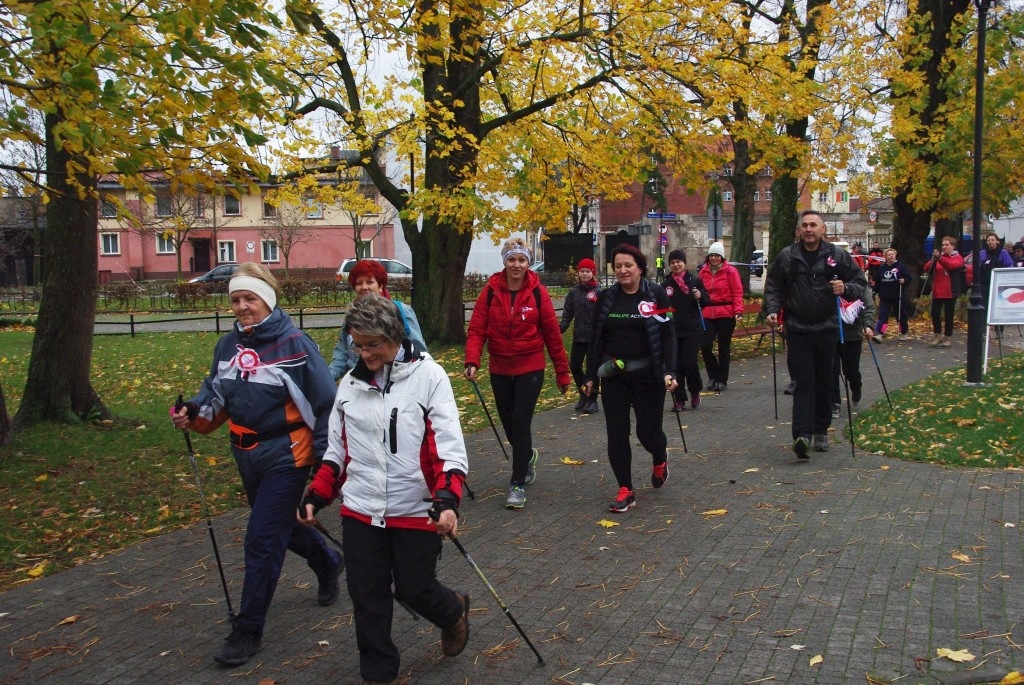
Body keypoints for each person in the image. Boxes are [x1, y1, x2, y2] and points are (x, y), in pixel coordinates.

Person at [169, 262, 340, 667]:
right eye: (236, 299)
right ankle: (329, 560)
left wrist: (324, 462)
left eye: (250, 298)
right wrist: (191, 411)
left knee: (262, 539)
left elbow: (326, 403)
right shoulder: (228, 345)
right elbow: (215, 391)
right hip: (245, 454)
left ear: (269, 299)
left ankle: (247, 629)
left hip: (287, 453)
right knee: (282, 527)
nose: (243, 307)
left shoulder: (295, 344)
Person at [299, 294, 470, 685]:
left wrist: (446, 500)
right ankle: (378, 673)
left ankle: (454, 611)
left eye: (373, 344)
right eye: (357, 344)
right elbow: (336, 453)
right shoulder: (349, 385)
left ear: (394, 336)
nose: (365, 353)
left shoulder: (429, 377)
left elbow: (448, 448)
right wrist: (316, 495)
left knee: (414, 588)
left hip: (415, 508)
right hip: (361, 509)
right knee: (367, 595)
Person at [464, 237, 571, 510]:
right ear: (504, 261)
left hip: (530, 366)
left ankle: (517, 484)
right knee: (510, 426)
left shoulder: (538, 293)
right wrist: (472, 360)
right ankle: (527, 456)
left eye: (522, 259)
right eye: (512, 259)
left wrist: (562, 373)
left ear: (528, 262)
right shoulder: (489, 292)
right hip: (499, 367)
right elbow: (477, 329)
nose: (517, 264)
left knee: (521, 424)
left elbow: (552, 335)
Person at [764, 211, 867, 458]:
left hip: (827, 328)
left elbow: (860, 285)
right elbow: (774, 286)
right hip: (797, 329)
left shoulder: (837, 255)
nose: (808, 229)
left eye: (813, 225)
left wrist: (846, 288)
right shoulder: (788, 256)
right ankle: (801, 435)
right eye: (805, 225)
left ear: (823, 230)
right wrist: (771, 310)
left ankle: (821, 430)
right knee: (803, 382)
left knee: (824, 382)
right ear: (799, 230)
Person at [584, 243, 678, 513]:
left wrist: (670, 371)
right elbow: (595, 338)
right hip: (614, 376)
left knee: (648, 433)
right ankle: (626, 489)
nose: (622, 270)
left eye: (628, 265)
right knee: (616, 433)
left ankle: (660, 457)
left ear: (640, 267)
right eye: (618, 266)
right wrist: (591, 374)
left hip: (648, 376)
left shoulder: (656, 294)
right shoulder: (607, 298)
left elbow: (669, 333)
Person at [329, 259, 425, 381]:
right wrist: (327, 378)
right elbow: (342, 354)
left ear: (381, 286)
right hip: (359, 383)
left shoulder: (401, 311)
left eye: (370, 282)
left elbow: (419, 351)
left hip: (395, 381)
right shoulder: (353, 317)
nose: (364, 287)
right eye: (359, 283)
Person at [661, 249, 708, 411]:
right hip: (673, 330)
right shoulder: (666, 284)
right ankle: (679, 398)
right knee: (675, 365)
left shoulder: (694, 281)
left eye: (678, 262)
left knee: (689, 362)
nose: (675, 265)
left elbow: (707, 301)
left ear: (684, 263)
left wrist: (700, 296)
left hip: (692, 330)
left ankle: (695, 391)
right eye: (672, 262)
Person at [698, 241, 743, 391]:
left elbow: (737, 292)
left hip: (726, 313)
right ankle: (713, 375)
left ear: (722, 257)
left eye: (717, 255)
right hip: (708, 312)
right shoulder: (703, 271)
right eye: (711, 255)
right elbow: (700, 291)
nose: (714, 258)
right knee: (705, 345)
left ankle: (722, 379)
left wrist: (738, 311)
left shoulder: (730, 271)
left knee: (724, 347)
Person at [560, 258, 602, 414]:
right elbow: (567, 313)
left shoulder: (598, 292)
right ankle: (584, 393)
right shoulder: (574, 292)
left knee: (592, 369)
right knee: (575, 367)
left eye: (588, 271)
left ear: (593, 273)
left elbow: (602, 314)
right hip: (579, 336)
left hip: (593, 337)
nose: (585, 274)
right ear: (578, 273)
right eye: (582, 271)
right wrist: (561, 328)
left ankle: (592, 400)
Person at [832, 295, 877, 417]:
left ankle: (856, 387)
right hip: (831, 334)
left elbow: (868, 307)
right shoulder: (829, 282)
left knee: (850, 370)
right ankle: (834, 402)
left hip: (852, 336)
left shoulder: (857, 283)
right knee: (831, 369)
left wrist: (868, 326)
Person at [923, 236, 965, 347]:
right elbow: (927, 268)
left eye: (947, 245)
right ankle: (937, 335)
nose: (944, 247)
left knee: (948, 315)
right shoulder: (939, 258)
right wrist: (933, 259)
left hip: (950, 290)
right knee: (935, 314)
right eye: (943, 245)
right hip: (938, 290)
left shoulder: (957, 257)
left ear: (953, 246)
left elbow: (951, 266)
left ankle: (947, 337)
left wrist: (940, 259)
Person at [873, 248, 913, 342]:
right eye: (889, 254)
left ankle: (903, 332)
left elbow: (908, 278)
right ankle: (880, 333)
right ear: (885, 257)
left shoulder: (900, 266)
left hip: (897, 295)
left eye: (893, 254)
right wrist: (875, 291)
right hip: (885, 295)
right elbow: (878, 281)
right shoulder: (882, 268)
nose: (891, 256)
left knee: (901, 315)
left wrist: (904, 280)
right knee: (882, 315)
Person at [978, 232, 1013, 306]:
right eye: (988, 240)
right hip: (985, 284)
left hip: (999, 283)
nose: (990, 242)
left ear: (997, 241)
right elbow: (978, 267)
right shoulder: (982, 253)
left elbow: (1009, 266)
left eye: (992, 240)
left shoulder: (1003, 252)